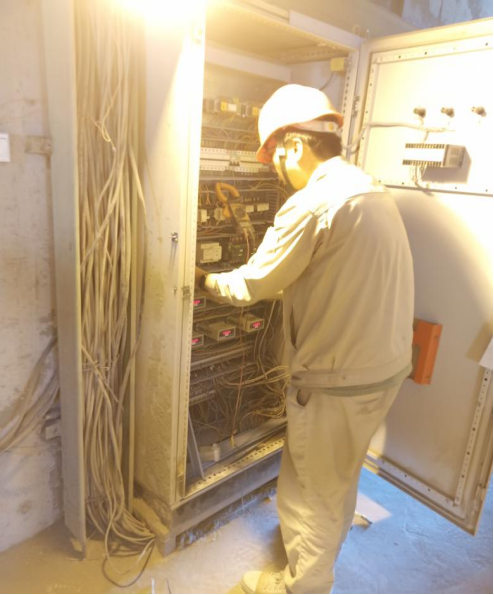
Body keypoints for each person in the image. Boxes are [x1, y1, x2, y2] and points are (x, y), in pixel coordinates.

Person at [195, 84, 415, 595]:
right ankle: (319, 550)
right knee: (337, 475)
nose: (279, 174)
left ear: (294, 144)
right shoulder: (369, 189)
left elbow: (252, 285)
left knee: (311, 489)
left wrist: (203, 280)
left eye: (276, 159)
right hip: (382, 370)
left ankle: (302, 585)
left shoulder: (313, 204)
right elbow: (327, 272)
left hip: (337, 381)